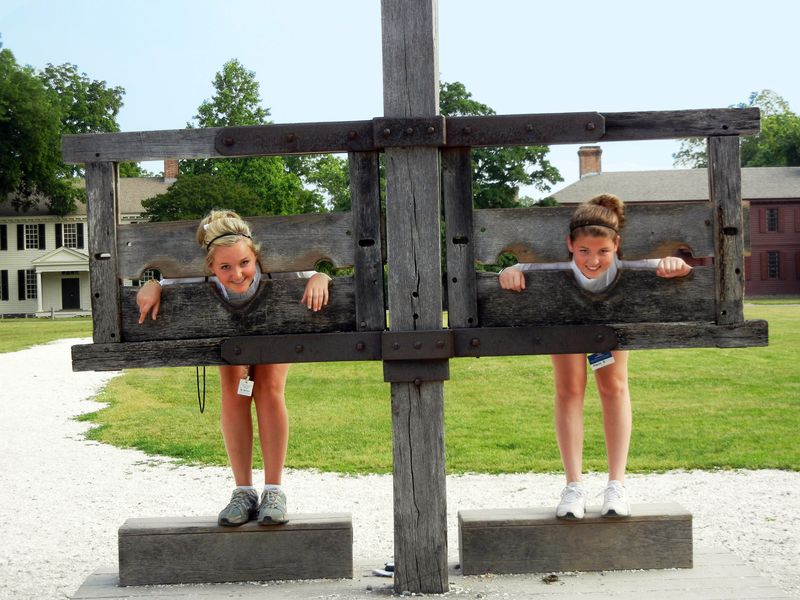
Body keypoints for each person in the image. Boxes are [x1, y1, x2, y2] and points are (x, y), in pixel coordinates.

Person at [498, 194, 691, 519]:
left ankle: (617, 484)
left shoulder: (630, 263)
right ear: (569, 244)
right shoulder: (555, 263)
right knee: (569, 390)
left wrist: (674, 264)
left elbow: (676, 267)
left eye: (603, 251)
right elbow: (517, 266)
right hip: (566, 321)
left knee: (613, 387)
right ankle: (573, 485)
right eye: (584, 250)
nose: (592, 260)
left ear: (616, 244)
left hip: (610, 323)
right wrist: (510, 271)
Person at [136, 209, 331, 527]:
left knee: (268, 389)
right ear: (210, 267)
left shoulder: (277, 269)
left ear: (256, 257)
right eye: (224, 267)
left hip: (273, 331)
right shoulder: (198, 275)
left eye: (244, 263)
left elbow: (315, 276)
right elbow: (167, 278)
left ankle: (273, 490)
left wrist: (323, 276)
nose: (237, 273)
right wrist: (153, 285)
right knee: (234, 394)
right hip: (231, 338)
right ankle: (243, 491)